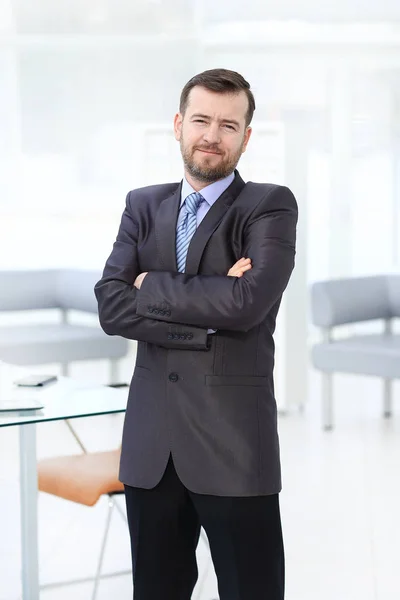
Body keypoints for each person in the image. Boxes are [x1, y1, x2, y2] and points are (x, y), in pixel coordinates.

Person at [94, 68, 298, 600]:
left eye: (228, 125)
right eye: (202, 120)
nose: (213, 135)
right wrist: (210, 310)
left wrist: (151, 287)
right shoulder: (143, 203)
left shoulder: (269, 206)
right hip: (150, 448)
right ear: (179, 124)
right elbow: (112, 307)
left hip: (232, 445)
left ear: (246, 137)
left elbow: (248, 302)